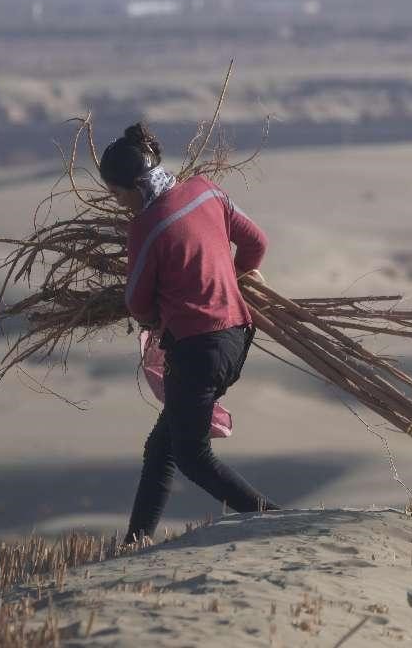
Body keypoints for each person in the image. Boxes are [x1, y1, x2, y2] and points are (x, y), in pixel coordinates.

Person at [99, 122, 280, 544]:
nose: (120, 204)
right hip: (237, 336)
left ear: (133, 186)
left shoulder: (147, 226)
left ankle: (275, 520)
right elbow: (256, 243)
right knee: (161, 446)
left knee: (192, 456)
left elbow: (136, 302)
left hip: (198, 350)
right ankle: (135, 542)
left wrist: (157, 317)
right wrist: (230, 279)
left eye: (117, 195)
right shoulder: (206, 191)